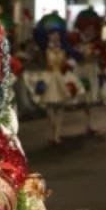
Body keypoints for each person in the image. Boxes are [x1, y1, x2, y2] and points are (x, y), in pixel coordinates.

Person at [32, 14, 82, 145]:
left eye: (55, 33)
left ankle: (56, 136)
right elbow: (36, 35)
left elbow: (77, 57)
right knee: (48, 105)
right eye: (50, 33)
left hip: (62, 77)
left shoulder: (65, 48)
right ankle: (54, 129)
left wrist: (70, 63)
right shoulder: (45, 48)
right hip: (48, 77)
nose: (53, 36)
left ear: (60, 34)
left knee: (60, 107)